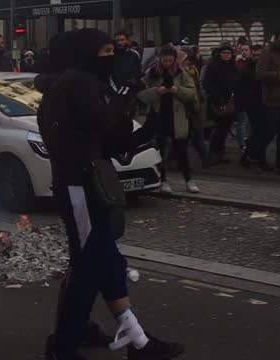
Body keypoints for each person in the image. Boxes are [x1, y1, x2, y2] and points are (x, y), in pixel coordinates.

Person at [36, 29, 184, 360]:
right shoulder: (73, 85)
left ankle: (133, 340)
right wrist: (125, 90)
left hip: (89, 186)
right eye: (105, 51)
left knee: (105, 264)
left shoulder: (80, 85)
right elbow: (101, 123)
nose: (112, 56)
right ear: (86, 54)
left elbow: (108, 140)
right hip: (79, 187)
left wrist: (149, 130)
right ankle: (64, 345)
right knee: (92, 266)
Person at [138, 46, 199, 194]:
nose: (167, 63)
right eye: (164, 60)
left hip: (177, 117)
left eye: (170, 60)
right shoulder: (151, 73)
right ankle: (163, 180)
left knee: (181, 150)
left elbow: (191, 92)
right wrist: (156, 91)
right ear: (160, 58)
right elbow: (140, 93)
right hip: (159, 117)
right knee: (160, 150)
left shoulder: (180, 73)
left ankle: (189, 179)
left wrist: (176, 90)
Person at [204, 42, 238, 165]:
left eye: (229, 52)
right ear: (220, 54)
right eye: (224, 52)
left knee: (224, 129)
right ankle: (213, 153)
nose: (227, 55)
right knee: (219, 129)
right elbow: (207, 84)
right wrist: (218, 97)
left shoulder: (232, 66)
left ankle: (219, 152)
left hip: (230, 102)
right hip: (217, 102)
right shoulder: (213, 66)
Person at [256, 29, 280, 173]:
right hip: (272, 100)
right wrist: (279, 75)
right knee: (269, 132)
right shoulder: (268, 51)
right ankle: (257, 158)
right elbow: (259, 74)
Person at [239, 45, 267, 170]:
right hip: (253, 105)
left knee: (261, 132)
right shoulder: (247, 69)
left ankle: (250, 156)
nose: (257, 57)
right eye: (255, 54)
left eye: (259, 54)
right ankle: (255, 158)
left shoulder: (266, 66)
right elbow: (241, 88)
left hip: (266, 103)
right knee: (258, 132)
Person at [181, 48, 209, 166]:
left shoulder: (194, 70)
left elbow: (197, 86)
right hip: (183, 108)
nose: (187, 62)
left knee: (197, 135)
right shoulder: (178, 72)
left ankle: (205, 159)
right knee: (182, 137)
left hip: (193, 106)